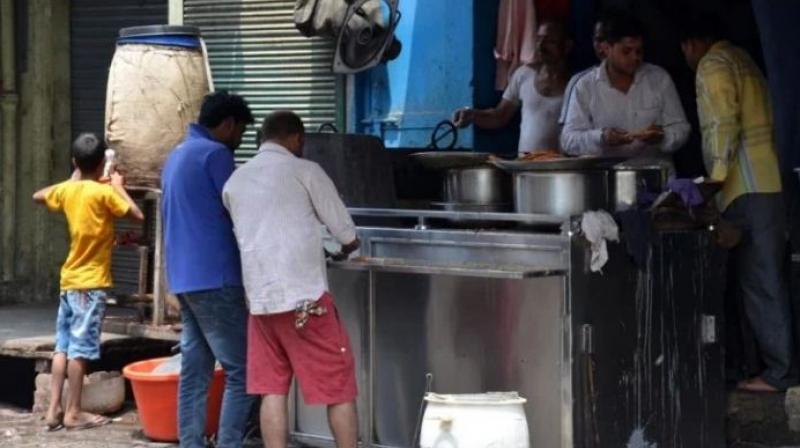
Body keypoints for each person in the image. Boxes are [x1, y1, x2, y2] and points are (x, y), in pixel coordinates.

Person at [222, 111, 361, 448]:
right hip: (306, 301)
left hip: (262, 305)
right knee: (337, 386)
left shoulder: (234, 183)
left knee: (272, 390)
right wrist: (348, 248)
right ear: (298, 139)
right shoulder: (305, 171)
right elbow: (344, 231)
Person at [680, 15, 797, 392]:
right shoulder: (745, 60)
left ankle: (778, 373)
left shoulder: (712, 66)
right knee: (767, 277)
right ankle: (766, 367)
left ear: (691, 45)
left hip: (745, 186)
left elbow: (722, 125)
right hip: (771, 181)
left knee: (760, 281)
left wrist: (712, 181)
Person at [161, 91, 256, 447]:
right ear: (228, 124)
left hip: (184, 279)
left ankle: (191, 442)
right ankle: (230, 442)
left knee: (195, 372)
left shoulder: (176, 154)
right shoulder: (216, 155)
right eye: (241, 132)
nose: (240, 141)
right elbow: (239, 212)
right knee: (242, 371)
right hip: (216, 278)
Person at [33, 133, 144, 431]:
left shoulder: (70, 192)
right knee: (80, 350)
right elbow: (137, 215)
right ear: (102, 167)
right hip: (91, 284)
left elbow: (39, 195)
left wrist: (74, 181)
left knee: (62, 348)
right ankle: (73, 412)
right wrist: (119, 188)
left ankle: (54, 410)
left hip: (69, 281)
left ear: (74, 163)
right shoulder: (103, 193)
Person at [560, 14, 690, 167]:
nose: (635, 57)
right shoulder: (585, 86)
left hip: (657, 177)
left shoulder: (659, 79)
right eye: (626, 51)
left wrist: (662, 137)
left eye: (639, 51)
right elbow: (568, 140)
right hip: (607, 182)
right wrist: (602, 137)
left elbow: (682, 128)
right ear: (607, 48)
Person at [453, 21, 573, 155]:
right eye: (538, 39)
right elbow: (500, 116)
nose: (541, 45)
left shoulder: (577, 85)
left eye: (550, 41)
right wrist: (471, 115)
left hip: (562, 170)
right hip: (525, 167)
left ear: (567, 46)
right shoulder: (523, 75)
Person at [558, 17, 608, 126]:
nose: (604, 47)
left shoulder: (651, 77)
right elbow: (566, 137)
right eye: (598, 40)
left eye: (610, 40)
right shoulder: (578, 82)